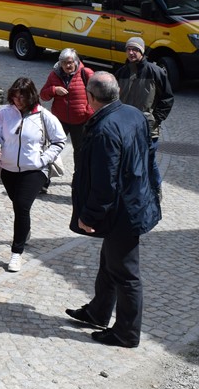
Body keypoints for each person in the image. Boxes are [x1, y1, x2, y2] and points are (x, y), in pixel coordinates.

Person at [65, 71, 161, 348]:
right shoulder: (133, 114)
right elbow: (148, 156)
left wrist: (89, 215)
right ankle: (98, 312)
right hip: (134, 201)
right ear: (117, 90)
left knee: (126, 274)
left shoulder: (105, 130)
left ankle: (126, 333)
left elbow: (105, 182)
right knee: (110, 262)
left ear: (91, 97)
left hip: (123, 211)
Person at [0, 77, 66, 272]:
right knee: (19, 206)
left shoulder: (44, 116)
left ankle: (16, 252)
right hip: (8, 170)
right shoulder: (4, 113)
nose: (18, 101)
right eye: (15, 97)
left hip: (34, 171)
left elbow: (59, 140)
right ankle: (25, 230)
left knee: (22, 206)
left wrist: (43, 159)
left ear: (31, 96)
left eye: (22, 97)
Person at [115, 37, 174, 199]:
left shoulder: (155, 72)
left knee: (148, 160)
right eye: (128, 49)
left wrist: (156, 118)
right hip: (125, 127)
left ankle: (155, 189)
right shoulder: (121, 73)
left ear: (142, 51)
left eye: (135, 49)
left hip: (148, 127)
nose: (131, 53)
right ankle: (130, 191)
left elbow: (167, 98)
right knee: (126, 160)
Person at [39, 48, 94, 168]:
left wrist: (88, 112)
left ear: (76, 61)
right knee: (51, 148)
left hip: (81, 121)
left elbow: (97, 95)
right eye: (64, 63)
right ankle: (45, 175)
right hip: (60, 120)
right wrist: (54, 90)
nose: (67, 65)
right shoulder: (54, 75)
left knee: (80, 152)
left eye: (70, 62)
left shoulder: (86, 73)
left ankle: (78, 177)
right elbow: (43, 95)